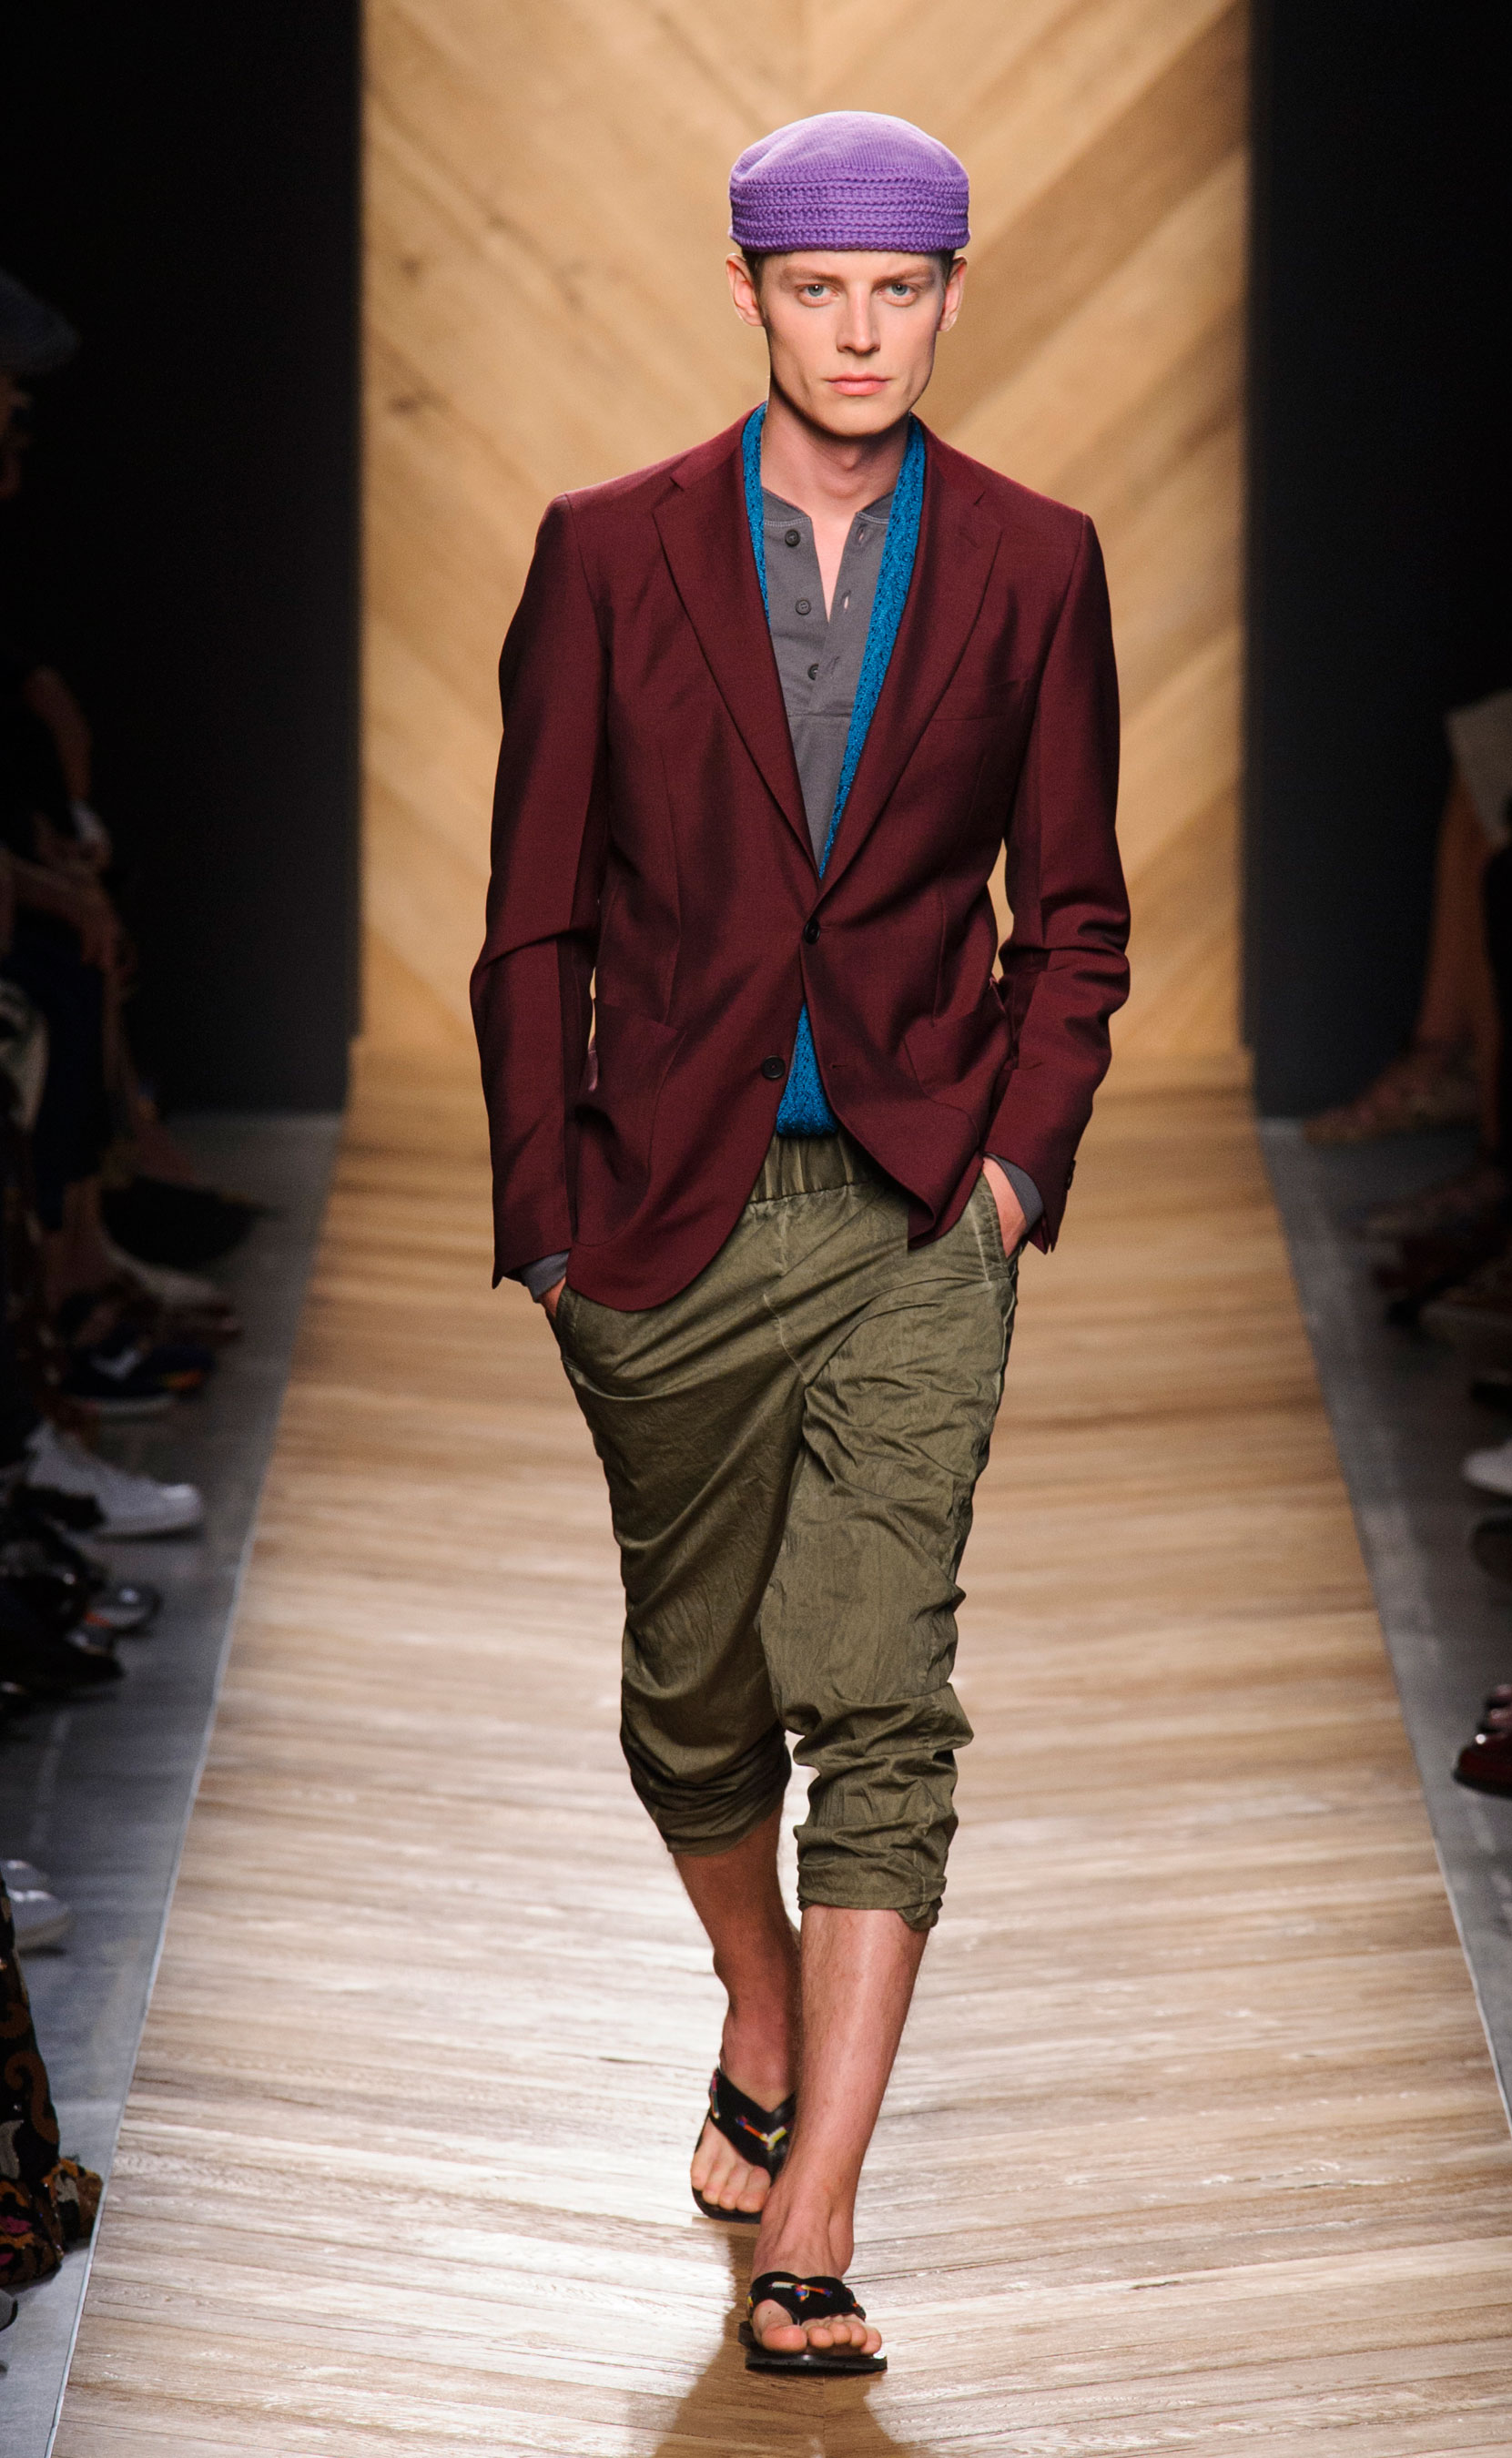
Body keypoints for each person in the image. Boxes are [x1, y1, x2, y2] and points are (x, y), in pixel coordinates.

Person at [472, 110, 1127, 2375]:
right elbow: (533, 911)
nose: (861, 332)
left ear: (949, 296)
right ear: (750, 291)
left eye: (901, 290)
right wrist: (546, 1226)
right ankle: (756, 1993)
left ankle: (818, 2219)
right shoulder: (607, 549)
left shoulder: (1035, 558)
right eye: (819, 289)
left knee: (884, 1687)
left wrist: (1015, 1169)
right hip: (661, 1209)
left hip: (919, 1204)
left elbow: (1075, 912)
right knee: (691, 1700)